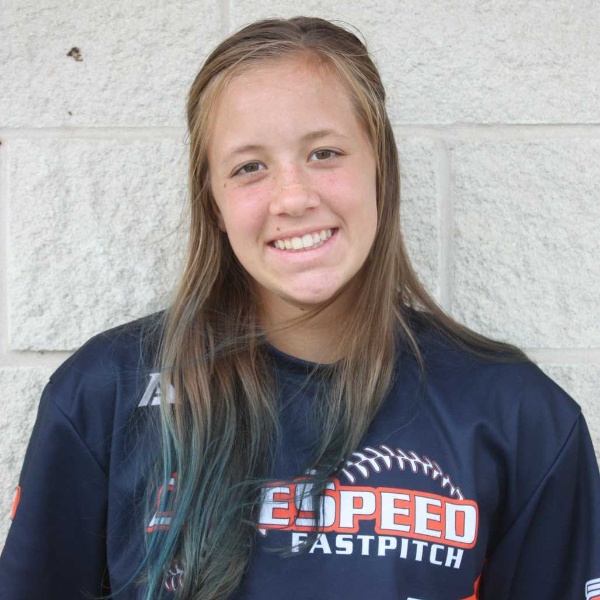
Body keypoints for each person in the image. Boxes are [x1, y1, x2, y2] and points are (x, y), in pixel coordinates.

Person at [1, 15, 599, 600]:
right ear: (214, 202)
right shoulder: (104, 393)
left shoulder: (517, 414)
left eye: (324, 153)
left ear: (380, 167)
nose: (292, 198)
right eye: (249, 167)